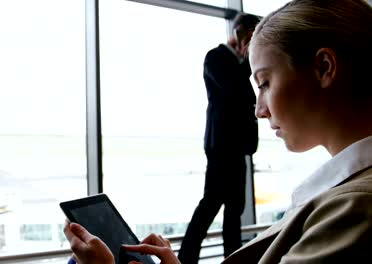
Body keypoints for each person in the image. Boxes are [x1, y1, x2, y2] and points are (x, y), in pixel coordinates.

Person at [63, 0, 372, 263]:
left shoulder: (354, 208)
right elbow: (236, 95)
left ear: (324, 68)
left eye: (264, 83)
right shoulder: (216, 58)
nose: (260, 109)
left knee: (230, 209)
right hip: (223, 147)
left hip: (235, 147)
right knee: (215, 203)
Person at [178, 12, 260, 263]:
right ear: (239, 32)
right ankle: (185, 259)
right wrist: (247, 56)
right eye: (251, 35)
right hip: (221, 145)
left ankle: (232, 259)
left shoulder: (239, 65)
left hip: (240, 146)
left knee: (235, 210)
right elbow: (234, 89)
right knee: (210, 204)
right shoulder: (215, 58)